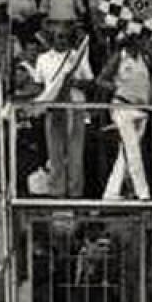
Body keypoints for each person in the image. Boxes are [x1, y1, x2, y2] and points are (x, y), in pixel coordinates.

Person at [31, 26, 93, 197]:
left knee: (75, 153)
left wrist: (74, 83)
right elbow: (39, 86)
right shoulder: (43, 59)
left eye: (65, 37)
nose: (62, 40)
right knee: (55, 152)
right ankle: (57, 192)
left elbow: (90, 81)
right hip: (53, 108)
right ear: (52, 38)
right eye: (59, 36)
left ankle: (75, 193)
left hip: (75, 107)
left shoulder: (76, 56)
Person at [99, 33, 152, 201]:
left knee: (126, 153)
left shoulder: (145, 59)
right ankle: (142, 192)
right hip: (122, 106)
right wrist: (116, 87)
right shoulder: (119, 57)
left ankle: (111, 192)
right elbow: (101, 80)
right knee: (132, 148)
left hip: (141, 109)